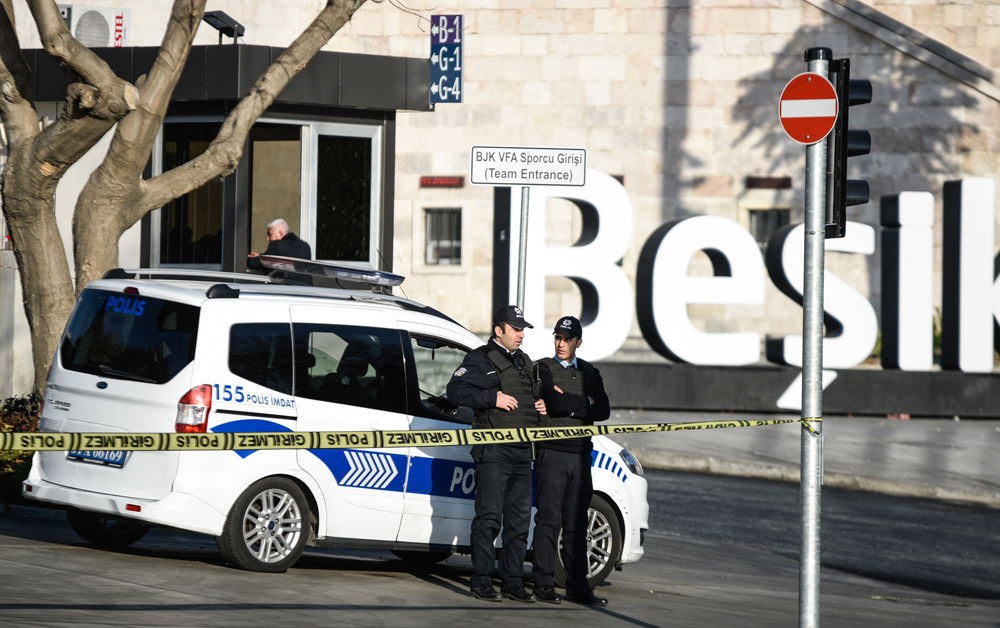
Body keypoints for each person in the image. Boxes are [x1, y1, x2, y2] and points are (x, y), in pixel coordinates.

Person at [446, 305, 548, 603]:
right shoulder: (479, 358)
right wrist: (492, 398)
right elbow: (455, 391)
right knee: (489, 518)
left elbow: (530, 400)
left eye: (523, 329)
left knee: (518, 522)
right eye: (516, 329)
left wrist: (541, 407)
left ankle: (513, 581)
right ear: (498, 330)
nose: (521, 334)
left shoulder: (525, 362)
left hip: (521, 451)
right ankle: (480, 580)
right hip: (493, 450)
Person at [531, 315, 611, 606]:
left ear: (578, 342)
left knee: (577, 525)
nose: (560, 343)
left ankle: (579, 587)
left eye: (566, 339)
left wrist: (576, 406)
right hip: (551, 453)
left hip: (579, 457)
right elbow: (553, 401)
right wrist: (584, 405)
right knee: (549, 521)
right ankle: (543, 584)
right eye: (557, 338)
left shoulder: (589, 372)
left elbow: (603, 409)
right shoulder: (543, 367)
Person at [247, 218, 312, 283]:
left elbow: (257, 263)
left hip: (283, 291)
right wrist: (261, 256)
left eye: (270, 234)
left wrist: (248, 258)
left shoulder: (278, 245)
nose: (268, 238)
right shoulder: (305, 246)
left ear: (280, 233)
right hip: (305, 290)